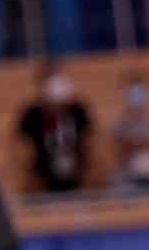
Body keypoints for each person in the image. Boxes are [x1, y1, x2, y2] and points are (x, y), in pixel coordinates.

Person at [14, 64, 93, 194]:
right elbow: (19, 151)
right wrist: (28, 179)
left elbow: (92, 143)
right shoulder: (33, 115)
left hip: (78, 176)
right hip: (42, 180)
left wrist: (90, 175)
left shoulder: (78, 111)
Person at [109, 71, 149, 187]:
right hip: (129, 171)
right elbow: (120, 147)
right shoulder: (120, 121)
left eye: (140, 89)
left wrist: (140, 144)